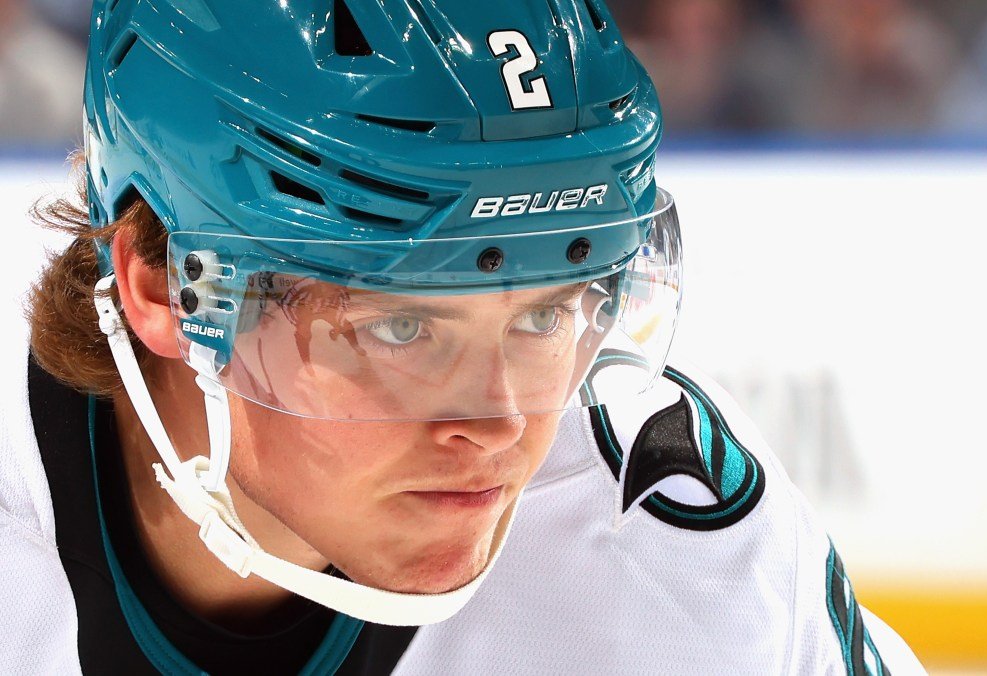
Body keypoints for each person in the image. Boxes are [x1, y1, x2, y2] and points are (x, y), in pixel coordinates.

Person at [1, 0, 925, 674]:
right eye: (401, 328)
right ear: (162, 286)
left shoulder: (676, 541)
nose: (498, 427)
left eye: (544, 317)